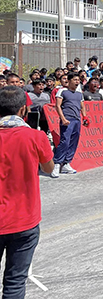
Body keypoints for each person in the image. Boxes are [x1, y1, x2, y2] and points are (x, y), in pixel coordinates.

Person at [0, 86, 55, 299]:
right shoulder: (35, 137)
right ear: (24, 110)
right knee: (15, 282)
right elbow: (49, 168)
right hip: (24, 220)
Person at [53, 72, 87, 178]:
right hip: (67, 120)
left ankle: (67, 163)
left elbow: (82, 106)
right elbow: (58, 106)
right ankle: (57, 164)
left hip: (77, 120)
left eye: (78, 80)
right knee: (64, 141)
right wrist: (63, 119)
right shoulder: (62, 91)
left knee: (74, 142)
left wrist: (85, 117)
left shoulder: (79, 94)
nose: (77, 82)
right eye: (75, 80)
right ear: (69, 80)